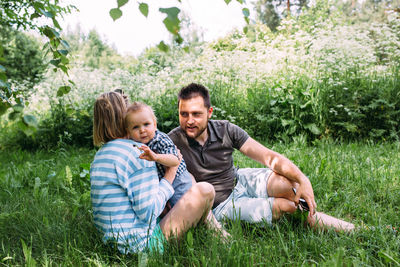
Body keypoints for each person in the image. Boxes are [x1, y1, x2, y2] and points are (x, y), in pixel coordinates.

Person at [168, 83, 355, 231]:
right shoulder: (172, 142)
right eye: (183, 114)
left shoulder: (225, 129)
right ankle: (350, 229)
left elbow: (269, 157)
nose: (189, 120)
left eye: (196, 114)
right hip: (221, 205)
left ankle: (321, 220)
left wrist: (303, 179)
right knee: (287, 208)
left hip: (239, 179)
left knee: (290, 186)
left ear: (209, 112)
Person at [90, 91, 216, 254]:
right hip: (140, 246)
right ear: (124, 119)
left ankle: (216, 231)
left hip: (112, 242)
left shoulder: (100, 156)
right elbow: (148, 214)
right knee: (204, 190)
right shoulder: (137, 153)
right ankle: (218, 232)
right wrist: (171, 172)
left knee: (189, 179)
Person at [124, 101, 192, 207]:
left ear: (154, 125)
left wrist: (156, 157)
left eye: (146, 124)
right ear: (128, 132)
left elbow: (175, 160)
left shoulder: (160, 139)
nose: (142, 130)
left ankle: (193, 219)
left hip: (178, 181)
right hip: (161, 182)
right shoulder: (135, 144)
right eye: (135, 127)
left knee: (182, 206)